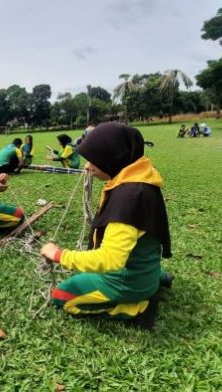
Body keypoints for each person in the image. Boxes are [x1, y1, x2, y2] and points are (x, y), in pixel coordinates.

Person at [39, 122, 173, 329]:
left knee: (62, 295)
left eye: (93, 160)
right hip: (142, 272)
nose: (87, 166)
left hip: (126, 282)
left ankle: (135, 307)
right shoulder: (141, 178)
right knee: (86, 272)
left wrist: (59, 255)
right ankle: (154, 279)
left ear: (112, 157)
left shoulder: (129, 199)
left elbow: (110, 260)